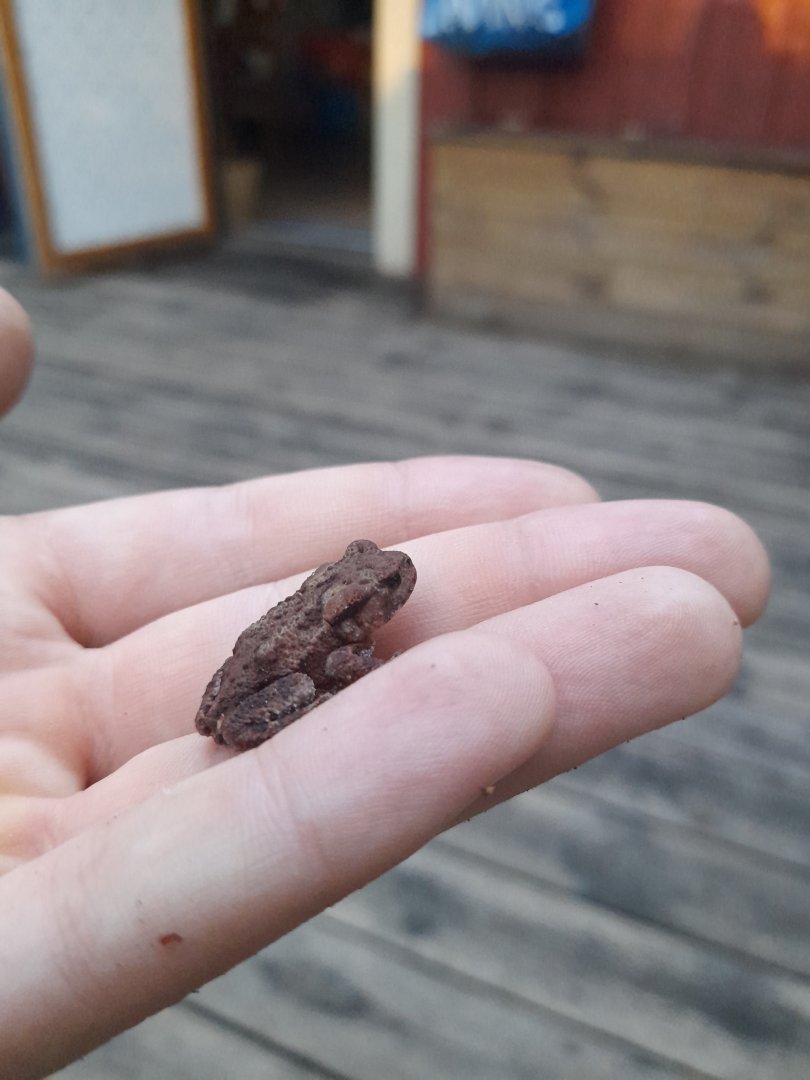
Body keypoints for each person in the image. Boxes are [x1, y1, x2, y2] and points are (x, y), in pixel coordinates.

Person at [0, 286, 770, 1078]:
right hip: (258, 686)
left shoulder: (338, 606)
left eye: (383, 581)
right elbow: (330, 665)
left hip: (242, 664)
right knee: (303, 691)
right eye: (381, 592)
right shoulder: (342, 636)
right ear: (357, 607)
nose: (395, 588)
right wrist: (358, 671)